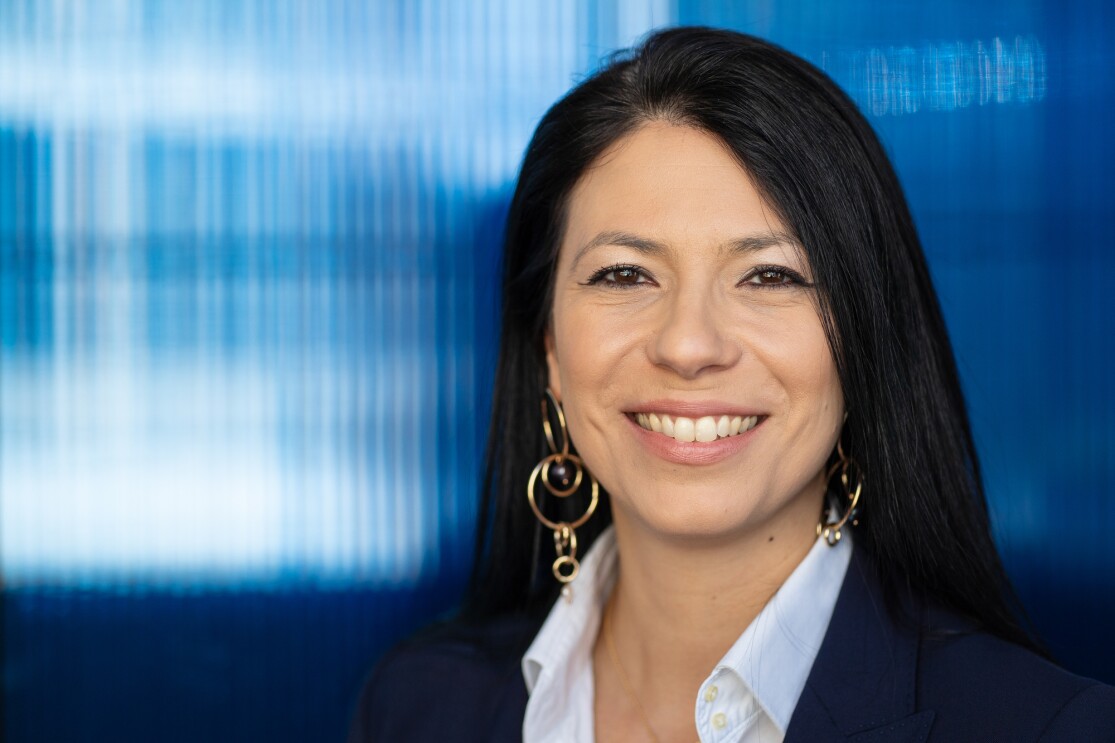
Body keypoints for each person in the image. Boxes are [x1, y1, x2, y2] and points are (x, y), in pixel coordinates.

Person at [349, 27, 1115, 742]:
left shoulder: (1051, 725)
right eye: (624, 273)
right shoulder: (417, 705)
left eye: (770, 275)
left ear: (861, 344)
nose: (688, 345)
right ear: (549, 344)